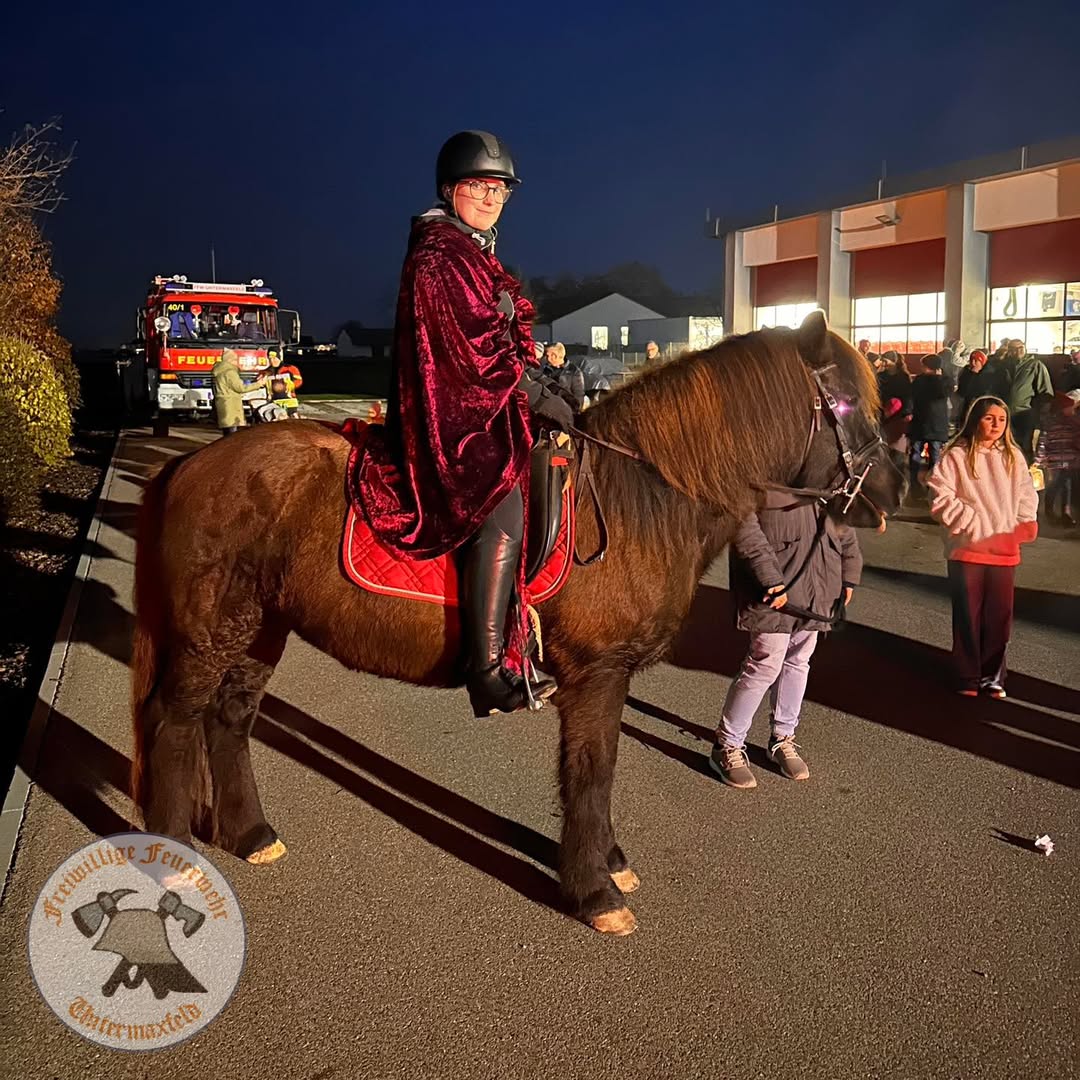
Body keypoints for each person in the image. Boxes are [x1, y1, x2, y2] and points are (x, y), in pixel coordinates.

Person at [355, 130, 572, 717]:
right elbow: (466, 355)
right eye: (478, 185)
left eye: (499, 187)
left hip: (475, 404)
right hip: (448, 416)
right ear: (450, 190)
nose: (490, 195)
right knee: (500, 501)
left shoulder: (471, 248)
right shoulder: (440, 255)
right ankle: (486, 670)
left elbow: (495, 339)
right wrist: (531, 392)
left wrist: (548, 382)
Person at [709, 500, 862, 789]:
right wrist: (769, 577)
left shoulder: (822, 464)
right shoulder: (763, 465)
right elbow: (742, 521)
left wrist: (849, 570)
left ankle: (782, 737)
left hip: (818, 581)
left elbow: (844, 512)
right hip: (774, 584)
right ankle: (727, 745)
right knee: (765, 663)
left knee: (799, 660)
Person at [928, 397, 1038, 698]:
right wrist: (974, 525)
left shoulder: (1014, 456)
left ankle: (993, 676)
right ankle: (968, 675)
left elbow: (1027, 495)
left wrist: (1018, 528)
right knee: (968, 614)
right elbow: (939, 497)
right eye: (990, 418)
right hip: (968, 550)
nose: (996, 425)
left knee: (999, 617)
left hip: (1004, 550)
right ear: (976, 418)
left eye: (1001, 420)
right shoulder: (956, 456)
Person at [991, 339, 1053, 463]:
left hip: (1025, 413)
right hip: (1005, 413)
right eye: (1014, 349)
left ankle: (1025, 472)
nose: (1018, 351)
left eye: (1021, 347)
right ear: (1010, 351)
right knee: (1006, 445)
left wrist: (1041, 412)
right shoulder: (1003, 367)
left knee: (1025, 446)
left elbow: (1045, 392)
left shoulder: (1034, 365)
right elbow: (995, 388)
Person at [1035, 390, 1080, 527]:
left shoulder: (1074, 424)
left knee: (1067, 487)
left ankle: (1065, 513)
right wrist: (1039, 458)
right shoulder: (1051, 424)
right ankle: (1050, 512)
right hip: (1055, 462)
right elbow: (1043, 441)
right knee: (1054, 486)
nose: (1071, 411)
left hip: (1070, 462)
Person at [908, 355, 950, 495]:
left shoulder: (923, 381)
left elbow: (941, 393)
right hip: (936, 425)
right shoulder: (944, 380)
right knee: (934, 456)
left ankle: (915, 482)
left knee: (917, 453)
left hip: (922, 422)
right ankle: (932, 484)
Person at [212, 348, 266, 436]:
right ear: (230, 360)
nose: (237, 362)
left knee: (226, 433)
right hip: (231, 406)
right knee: (233, 434)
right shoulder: (230, 372)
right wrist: (258, 384)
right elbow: (240, 388)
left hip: (223, 404)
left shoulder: (218, 371)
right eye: (235, 360)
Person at [541, 342, 585, 412]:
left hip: (566, 413)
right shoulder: (546, 370)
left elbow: (579, 396)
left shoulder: (574, 372)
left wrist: (573, 412)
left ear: (554, 356)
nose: (546, 358)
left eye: (547, 355)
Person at [957, 349, 995, 423]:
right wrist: (972, 375)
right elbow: (962, 392)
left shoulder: (989, 374)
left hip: (982, 406)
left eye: (976, 361)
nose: (973, 364)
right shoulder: (966, 372)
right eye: (971, 361)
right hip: (968, 405)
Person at [266, 352, 303, 417]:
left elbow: (299, 381)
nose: (272, 361)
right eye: (270, 359)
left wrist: (292, 384)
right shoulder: (266, 372)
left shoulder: (290, 368)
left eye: (274, 358)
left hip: (290, 402)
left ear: (279, 358)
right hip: (273, 403)